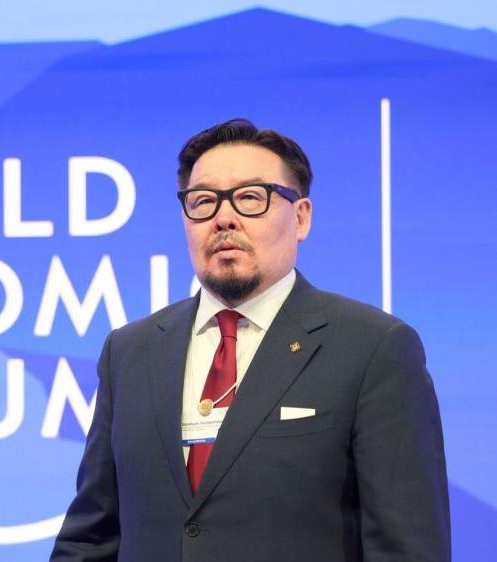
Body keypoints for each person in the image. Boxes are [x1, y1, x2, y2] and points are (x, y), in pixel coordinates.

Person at [49, 119, 450, 561]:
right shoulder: (129, 352)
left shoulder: (373, 348)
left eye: (250, 198)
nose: (224, 218)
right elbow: (90, 539)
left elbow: (406, 549)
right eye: (203, 201)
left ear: (301, 217)